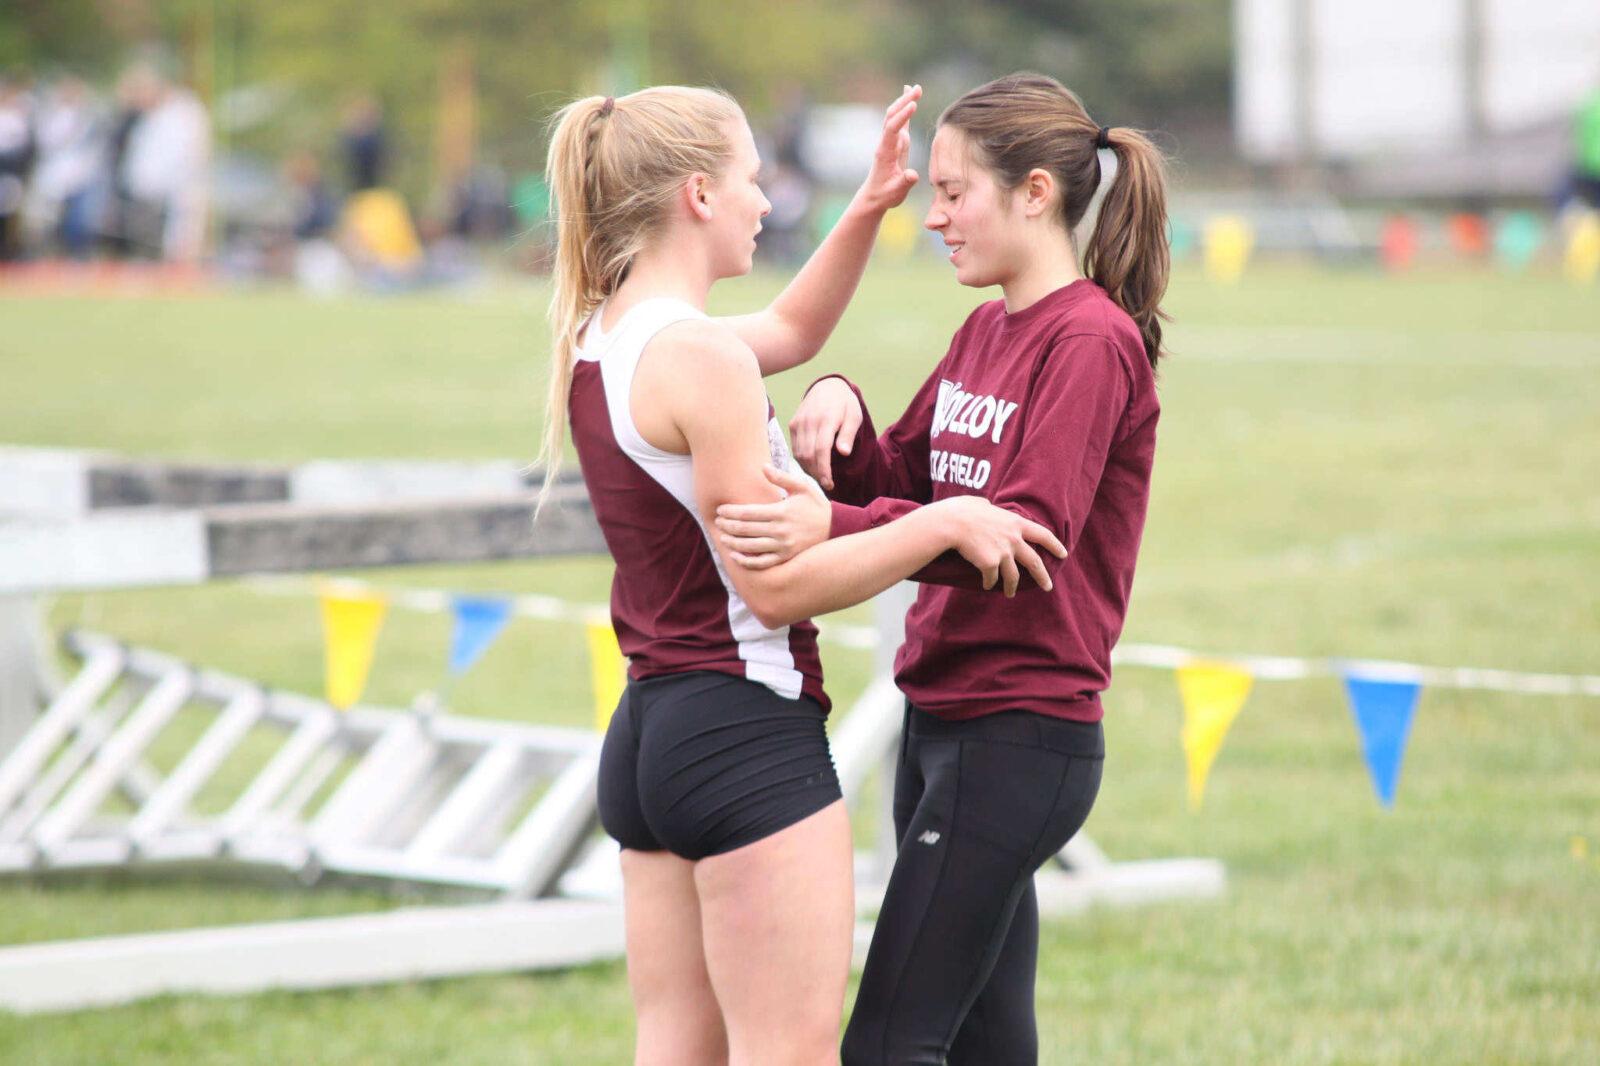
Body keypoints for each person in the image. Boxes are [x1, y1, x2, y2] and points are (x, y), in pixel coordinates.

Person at [540, 84, 1067, 1066]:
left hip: (650, 734)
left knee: (674, 1047)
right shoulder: (699, 356)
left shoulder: (604, 336)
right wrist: (938, 522)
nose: (765, 200)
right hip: (743, 733)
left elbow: (789, 331)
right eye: (750, 179)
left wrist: (868, 206)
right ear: (698, 194)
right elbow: (777, 587)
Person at [717, 72, 1170, 1064]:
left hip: (1019, 737)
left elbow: (1018, 540)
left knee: (888, 1043)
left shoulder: (1089, 341)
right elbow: (910, 484)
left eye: (955, 191)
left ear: (1036, 195)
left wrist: (830, 522)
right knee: (984, 1040)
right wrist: (838, 411)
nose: (934, 217)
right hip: (941, 723)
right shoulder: (985, 328)